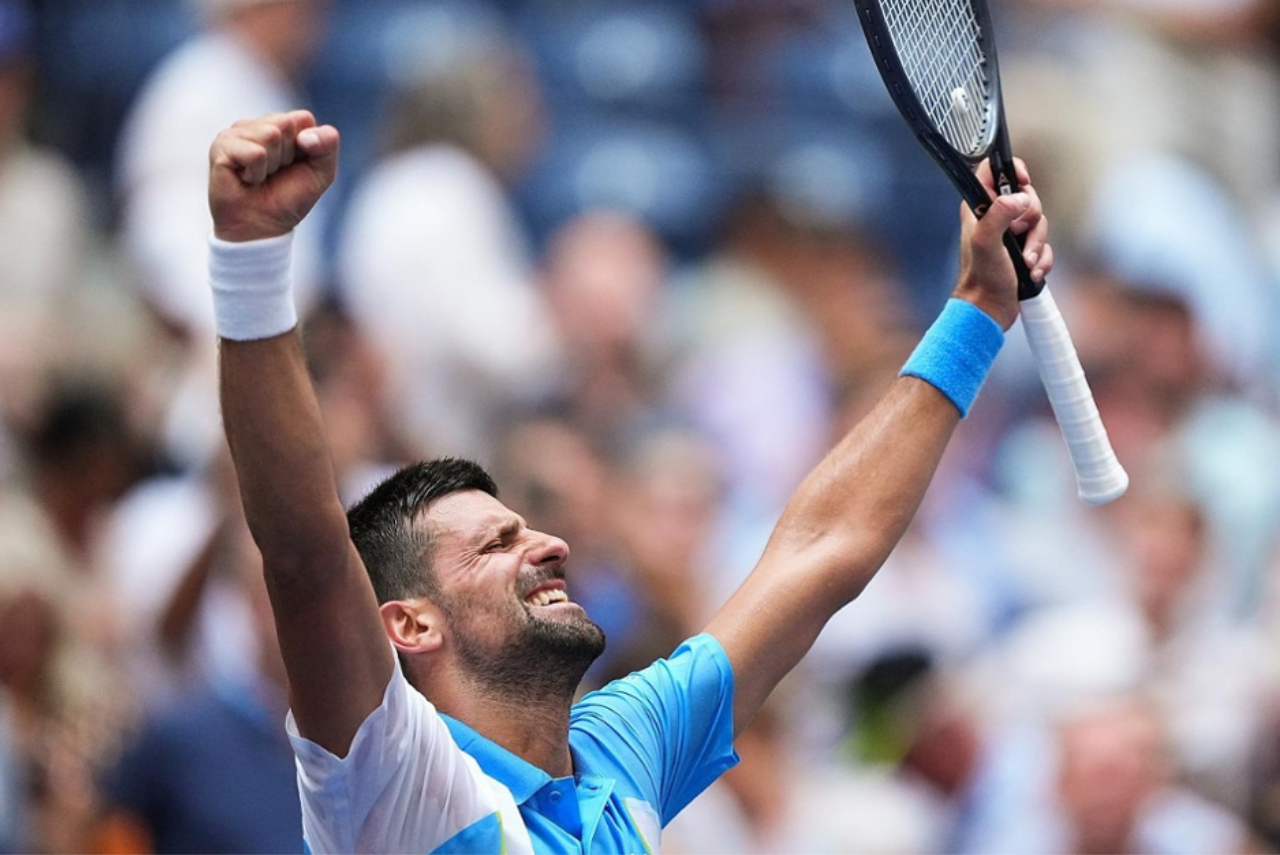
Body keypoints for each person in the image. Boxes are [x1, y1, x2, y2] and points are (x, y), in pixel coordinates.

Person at [205, 109, 1051, 853]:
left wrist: (978, 308)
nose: (549, 541)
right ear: (409, 623)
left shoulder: (625, 746)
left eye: (523, 524)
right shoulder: (394, 783)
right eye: (496, 544)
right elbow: (307, 556)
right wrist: (250, 261)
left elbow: (821, 549)